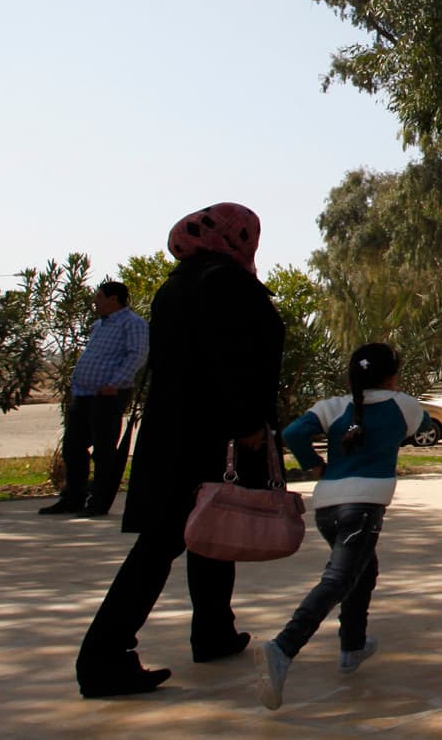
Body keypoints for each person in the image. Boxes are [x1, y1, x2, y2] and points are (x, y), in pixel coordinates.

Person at [75, 202, 285, 699]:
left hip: (174, 431)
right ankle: (103, 658)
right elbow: (232, 360)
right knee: (162, 543)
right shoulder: (226, 284)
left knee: (211, 527)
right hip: (209, 432)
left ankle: (214, 630)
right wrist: (248, 422)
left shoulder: (180, 283)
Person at [255, 342, 432, 711]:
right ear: (392, 375)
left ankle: (353, 646)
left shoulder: (331, 406)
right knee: (339, 578)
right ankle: (284, 647)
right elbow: (424, 428)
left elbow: (292, 434)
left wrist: (313, 465)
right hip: (363, 508)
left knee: (363, 571)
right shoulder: (404, 405)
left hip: (328, 506)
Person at [42, 279, 151, 517]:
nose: (96, 301)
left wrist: (115, 383)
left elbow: (138, 354)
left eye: (100, 296)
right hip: (85, 394)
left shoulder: (132, 324)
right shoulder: (99, 325)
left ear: (114, 299)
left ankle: (98, 502)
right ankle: (73, 497)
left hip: (108, 396)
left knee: (104, 451)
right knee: (73, 446)